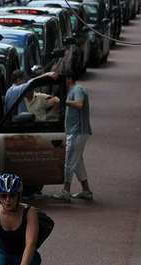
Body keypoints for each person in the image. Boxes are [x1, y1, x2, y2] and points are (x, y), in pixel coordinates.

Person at [53, 72, 93, 201]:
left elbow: (79, 104)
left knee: (69, 161)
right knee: (77, 163)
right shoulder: (73, 90)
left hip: (77, 132)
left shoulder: (77, 89)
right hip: (76, 132)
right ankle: (86, 190)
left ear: (69, 79)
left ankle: (66, 191)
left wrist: (64, 102)